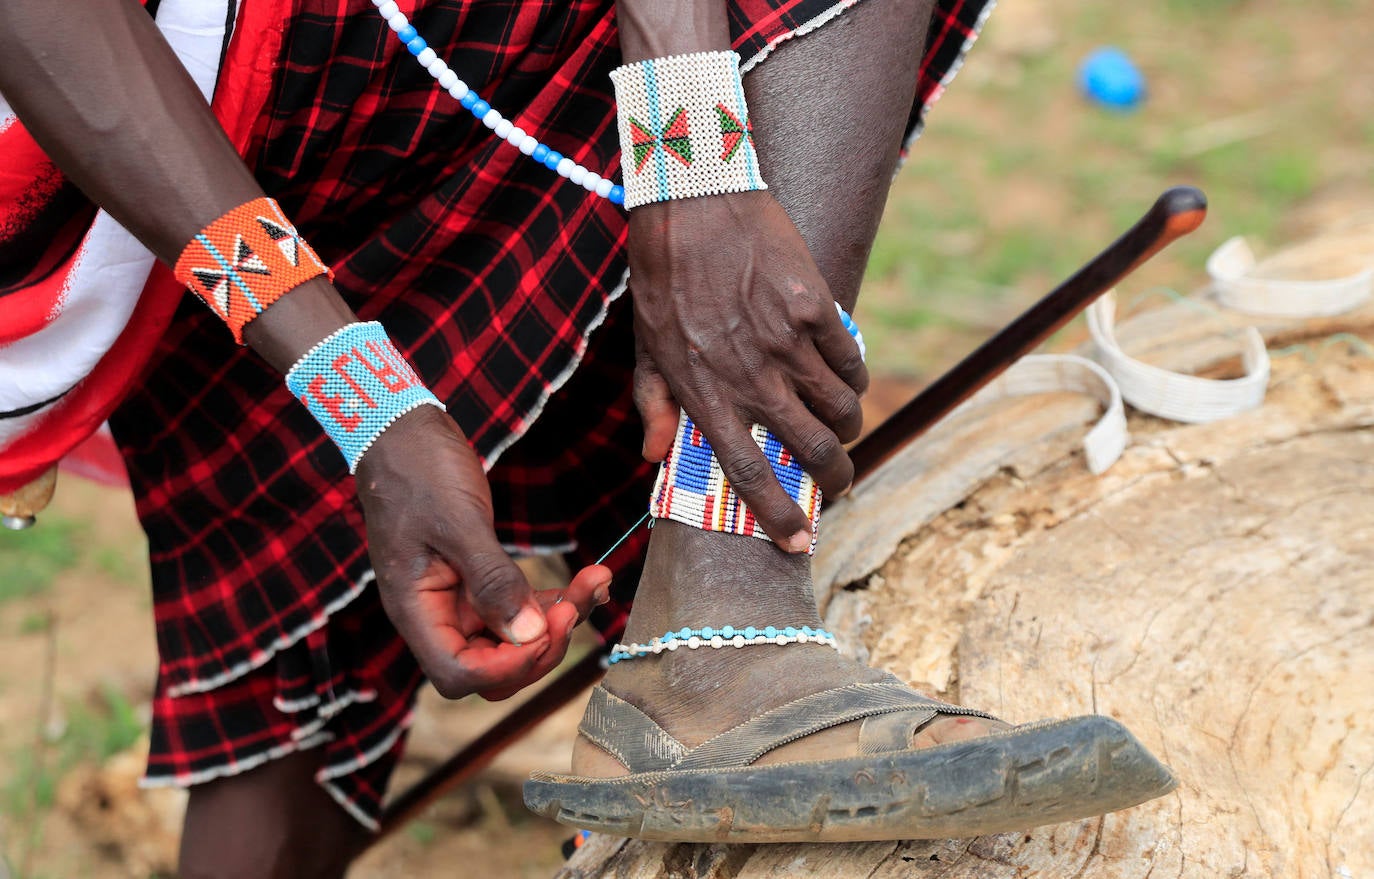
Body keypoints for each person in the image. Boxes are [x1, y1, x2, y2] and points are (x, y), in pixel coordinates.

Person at [0, 0, 1175, 875]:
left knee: (319, 667)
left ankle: (716, 617)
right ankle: (715, 629)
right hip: (124, 161)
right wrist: (363, 395)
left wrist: (692, 165)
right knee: (304, 639)